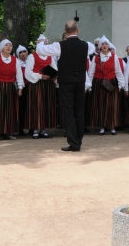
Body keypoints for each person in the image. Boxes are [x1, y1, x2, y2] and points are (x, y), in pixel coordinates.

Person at [36, 20, 89, 152]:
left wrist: (41, 42)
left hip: (66, 82)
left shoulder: (60, 46)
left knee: (68, 112)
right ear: (78, 30)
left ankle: (73, 142)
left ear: (65, 31)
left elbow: (41, 51)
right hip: (80, 81)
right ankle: (78, 141)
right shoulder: (87, 45)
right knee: (79, 112)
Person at [0, 40, 24, 140]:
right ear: (2, 48)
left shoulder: (15, 60)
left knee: (9, 109)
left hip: (10, 87)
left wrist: (20, 87)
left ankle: (8, 132)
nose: (8, 47)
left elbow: (19, 75)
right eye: (6, 45)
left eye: (10, 45)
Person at [24, 35, 57, 139]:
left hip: (47, 85)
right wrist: (40, 76)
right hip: (37, 85)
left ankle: (43, 129)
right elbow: (28, 72)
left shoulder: (50, 56)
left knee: (46, 106)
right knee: (37, 106)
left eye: (45, 42)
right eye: (42, 43)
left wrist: (54, 76)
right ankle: (36, 129)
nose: (44, 44)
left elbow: (54, 68)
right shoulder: (32, 56)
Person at [89, 37, 122, 135]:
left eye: (106, 44)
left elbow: (118, 71)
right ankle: (102, 126)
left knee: (111, 105)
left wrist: (121, 84)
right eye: (102, 44)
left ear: (109, 46)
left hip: (111, 83)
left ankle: (112, 126)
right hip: (98, 84)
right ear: (100, 47)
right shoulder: (96, 58)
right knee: (100, 105)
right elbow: (91, 72)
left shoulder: (114, 57)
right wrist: (89, 85)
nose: (104, 46)